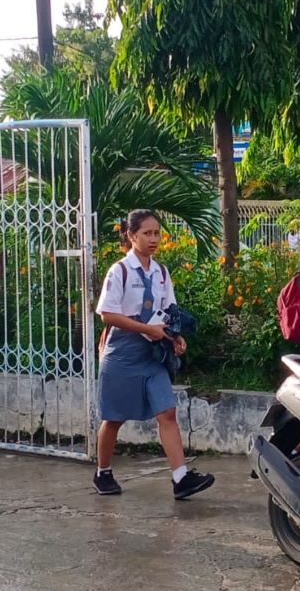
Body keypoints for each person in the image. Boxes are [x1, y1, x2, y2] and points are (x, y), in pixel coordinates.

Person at [92, 209, 214, 499]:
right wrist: (144, 328)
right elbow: (107, 314)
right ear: (131, 235)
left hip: (153, 352)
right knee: (114, 417)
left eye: (157, 233)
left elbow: (168, 312)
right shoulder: (119, 271)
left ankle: (180, 477)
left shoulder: (160, 272)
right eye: (147, 233)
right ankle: (103, 471)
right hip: (122, 352)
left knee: (167, 411)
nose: (153, 239)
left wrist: (175, 337)